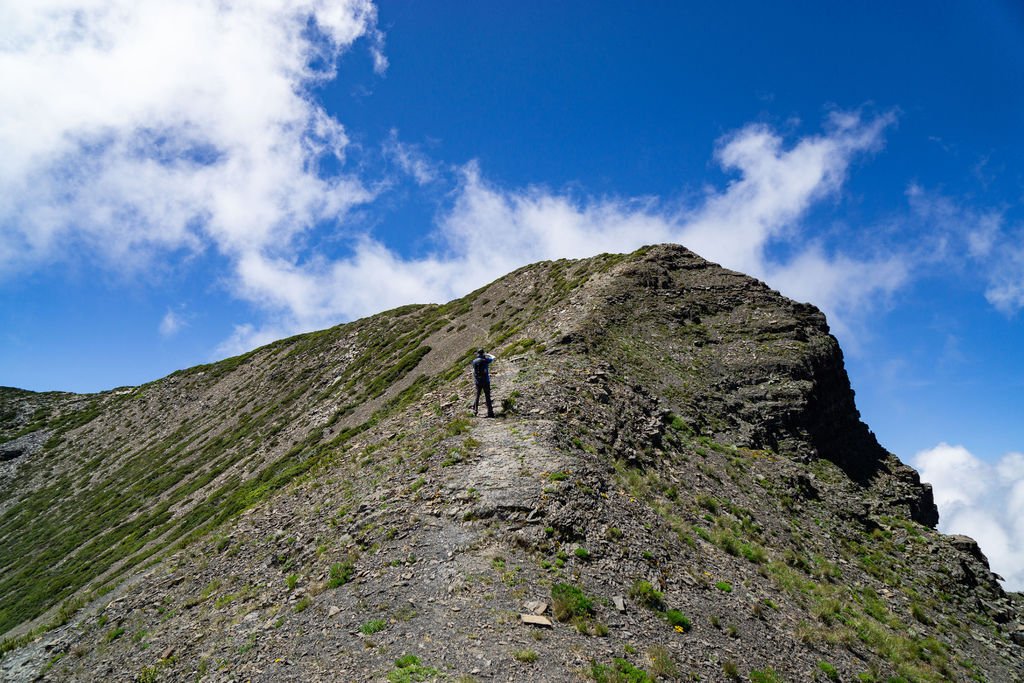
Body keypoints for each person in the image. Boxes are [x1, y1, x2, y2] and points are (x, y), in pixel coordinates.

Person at [471, 349, 496, 417]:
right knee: (487, 396)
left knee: (477, 396)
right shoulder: (485, 360)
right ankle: (490, 412)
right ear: (483, 353)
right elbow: (493, 357)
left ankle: (475, 410)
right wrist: (488, 354)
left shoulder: (474, 361)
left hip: (477, 381)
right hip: (485, 381)